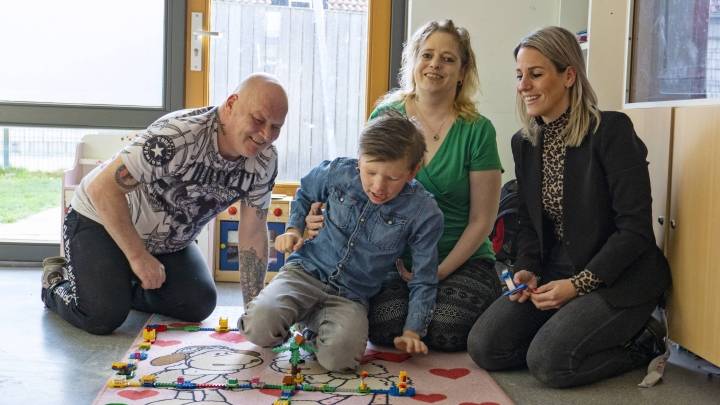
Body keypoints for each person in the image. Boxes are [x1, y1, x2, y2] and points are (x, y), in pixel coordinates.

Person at [466, 26, 672, 388]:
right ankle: (566, 332)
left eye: (536, 74)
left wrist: (578, 286)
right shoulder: (525, 142)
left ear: (569, 75)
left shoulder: (611, 130)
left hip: (620, 277)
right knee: (485, 347)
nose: (523, 85)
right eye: (519, 75)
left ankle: (644, 341)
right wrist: (527, 268)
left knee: (548, 364)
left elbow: (635, 231)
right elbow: (530, 222)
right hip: (555, 272)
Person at [304, 19, 503, 352]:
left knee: (446, 327)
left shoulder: (478, 130)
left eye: (448, 59)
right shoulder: (387, 114)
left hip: (459, 259)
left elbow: (482, 221)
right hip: (391, 260)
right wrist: (317, 216)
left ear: (462, 70)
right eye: (427, 55)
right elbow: (360, 186)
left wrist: (437, 272)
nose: (435, 65)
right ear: (413, 61)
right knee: (384, 328)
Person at [41, 73, 289, 335]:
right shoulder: (179, 137)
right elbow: (100, 188)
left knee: (198, 304)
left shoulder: (264, 161)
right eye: (259, 120)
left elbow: (252, 231)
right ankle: (56, 281)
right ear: (231, 104)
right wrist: (138, 257)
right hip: (100, 218)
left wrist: (254, 310)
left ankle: (120, 286)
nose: (266, 135)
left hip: (167, 243)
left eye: (276, 127)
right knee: (102, 316)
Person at [240, 113, 444, 371]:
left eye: (392, 178)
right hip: (305, 272)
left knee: (341, 361)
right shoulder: (338, 172)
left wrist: (413, 331)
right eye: (370, 172)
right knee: (258, 328)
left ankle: (311, 325)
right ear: (359, 160)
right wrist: (294, 229)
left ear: (413, 170)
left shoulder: (424, 211)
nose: (378, 186)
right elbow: (305, 192)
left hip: (352, 295)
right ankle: (297, 316)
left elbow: (424, 276)